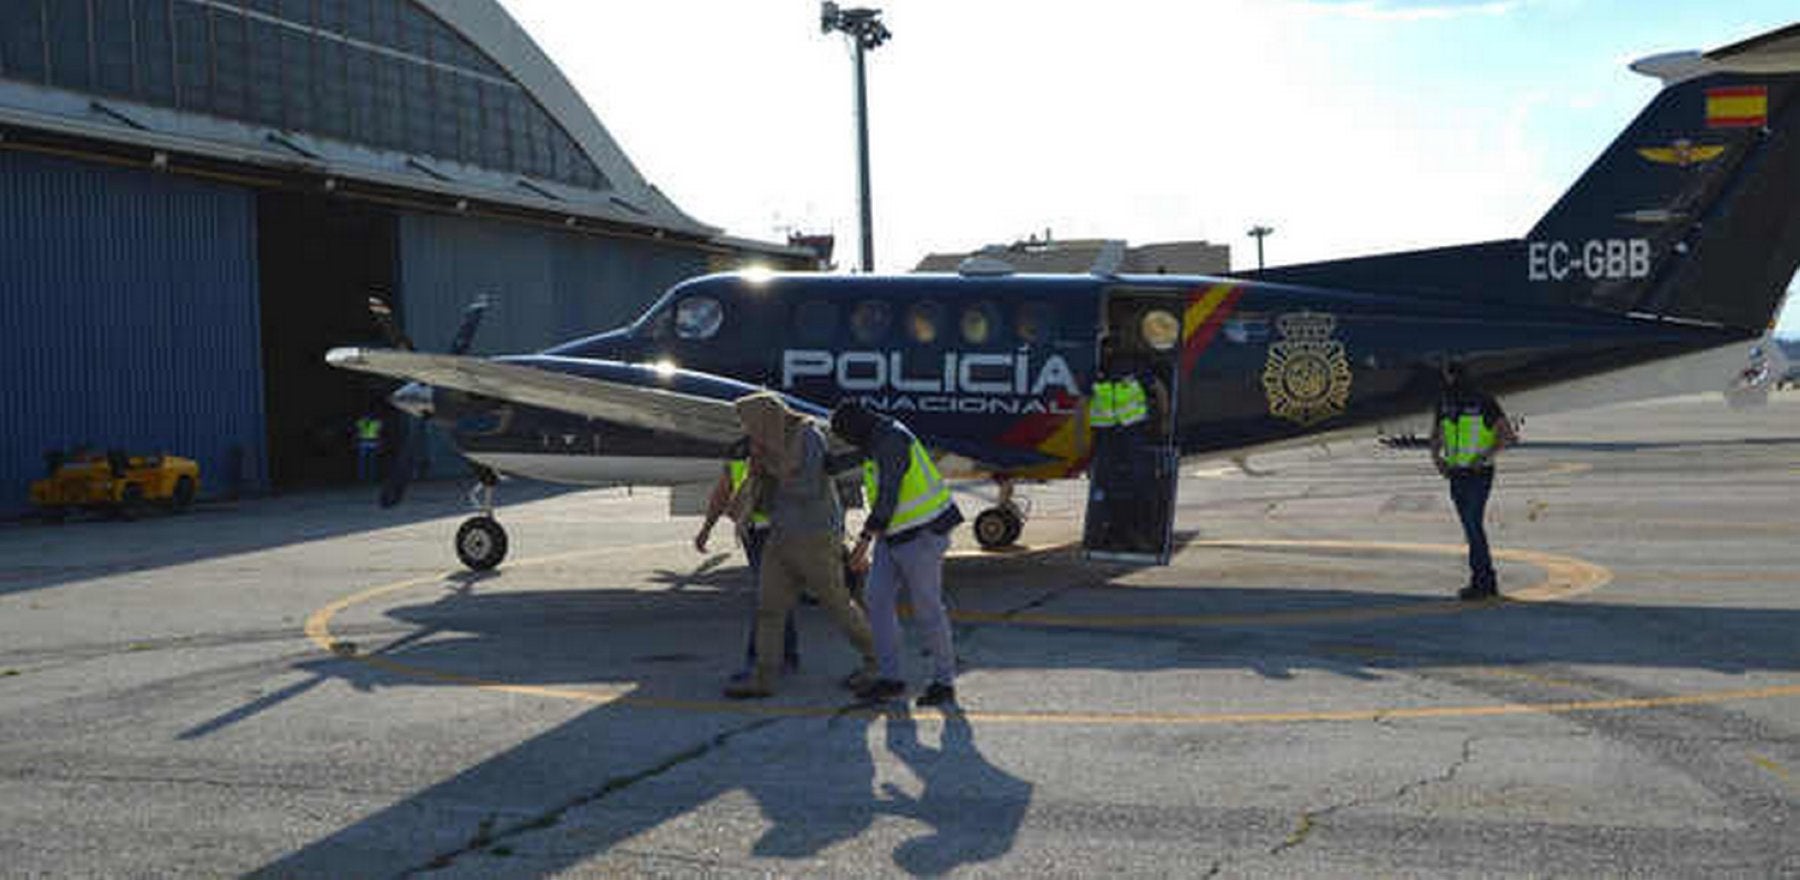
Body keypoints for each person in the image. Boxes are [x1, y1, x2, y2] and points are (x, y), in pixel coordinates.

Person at [723, 392, 878, 699]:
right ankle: (763, 677)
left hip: (814, 537)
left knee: (837, 605)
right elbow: (764, 490)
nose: (746, 429)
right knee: (769, 608)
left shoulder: (807, 437)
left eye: (749, 422)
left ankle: (878, 662)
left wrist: (769, 465)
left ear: (765, 417)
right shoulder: (764, 443)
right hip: (780, 535)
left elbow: (806, 487)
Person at [830, 401, 965, 707]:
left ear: (857, 429)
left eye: (847, 437)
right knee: (877, 600)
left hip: (923, 533)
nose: (849, 443)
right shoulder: (875, 435)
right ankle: (891, 678)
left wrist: (862, 544)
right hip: (894, 535)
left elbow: (887, 499)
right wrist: (827, 464)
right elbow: (857, 457)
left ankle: (944, 682)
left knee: (928, 609)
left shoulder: (892, 440)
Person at [694, 438, 799, 679]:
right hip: (757, 533)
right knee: (777, 594)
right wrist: (707, 527)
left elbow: (724, 492)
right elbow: (724, 491)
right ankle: (787, 655)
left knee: (766, 598)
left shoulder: (760, 449)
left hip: (773, 533)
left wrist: (707, 528)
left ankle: (760, 661)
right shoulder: (746, 449)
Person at [1429, 361, 1517, 600]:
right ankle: (1482, 579)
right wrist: (1438, 459)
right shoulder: (1444, 403)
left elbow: (1508, 436)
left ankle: (1484, 581)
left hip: (1479, 474)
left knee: (1473, 525)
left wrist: (1485, 456)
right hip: (1456, 473)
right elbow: (1436, 434)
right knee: (1470, 527)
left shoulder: (1484, 401)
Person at [1084, 334, 1171, 553]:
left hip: (1131, 434)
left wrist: (1164, 420)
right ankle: (1114, 532)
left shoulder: (1131, 367)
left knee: (1138, 482)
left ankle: (1138, 531)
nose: (1108, 353)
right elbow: (1083, 403)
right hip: (1108, 436)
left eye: (1110, 348)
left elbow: (1159, 389)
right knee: (1107, 484)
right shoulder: (1097, 372)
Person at [353, 412, 383, 482]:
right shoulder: (361, 423)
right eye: (366, 416)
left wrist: (379, 443)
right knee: (362, 462)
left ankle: (372, 477)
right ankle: (362, 477)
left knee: (372, 461)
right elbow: (356, 432)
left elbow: (380, 433)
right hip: (363, 441)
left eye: (369, 416)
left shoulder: (376, 423)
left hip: (373, 441)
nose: (367, 417)